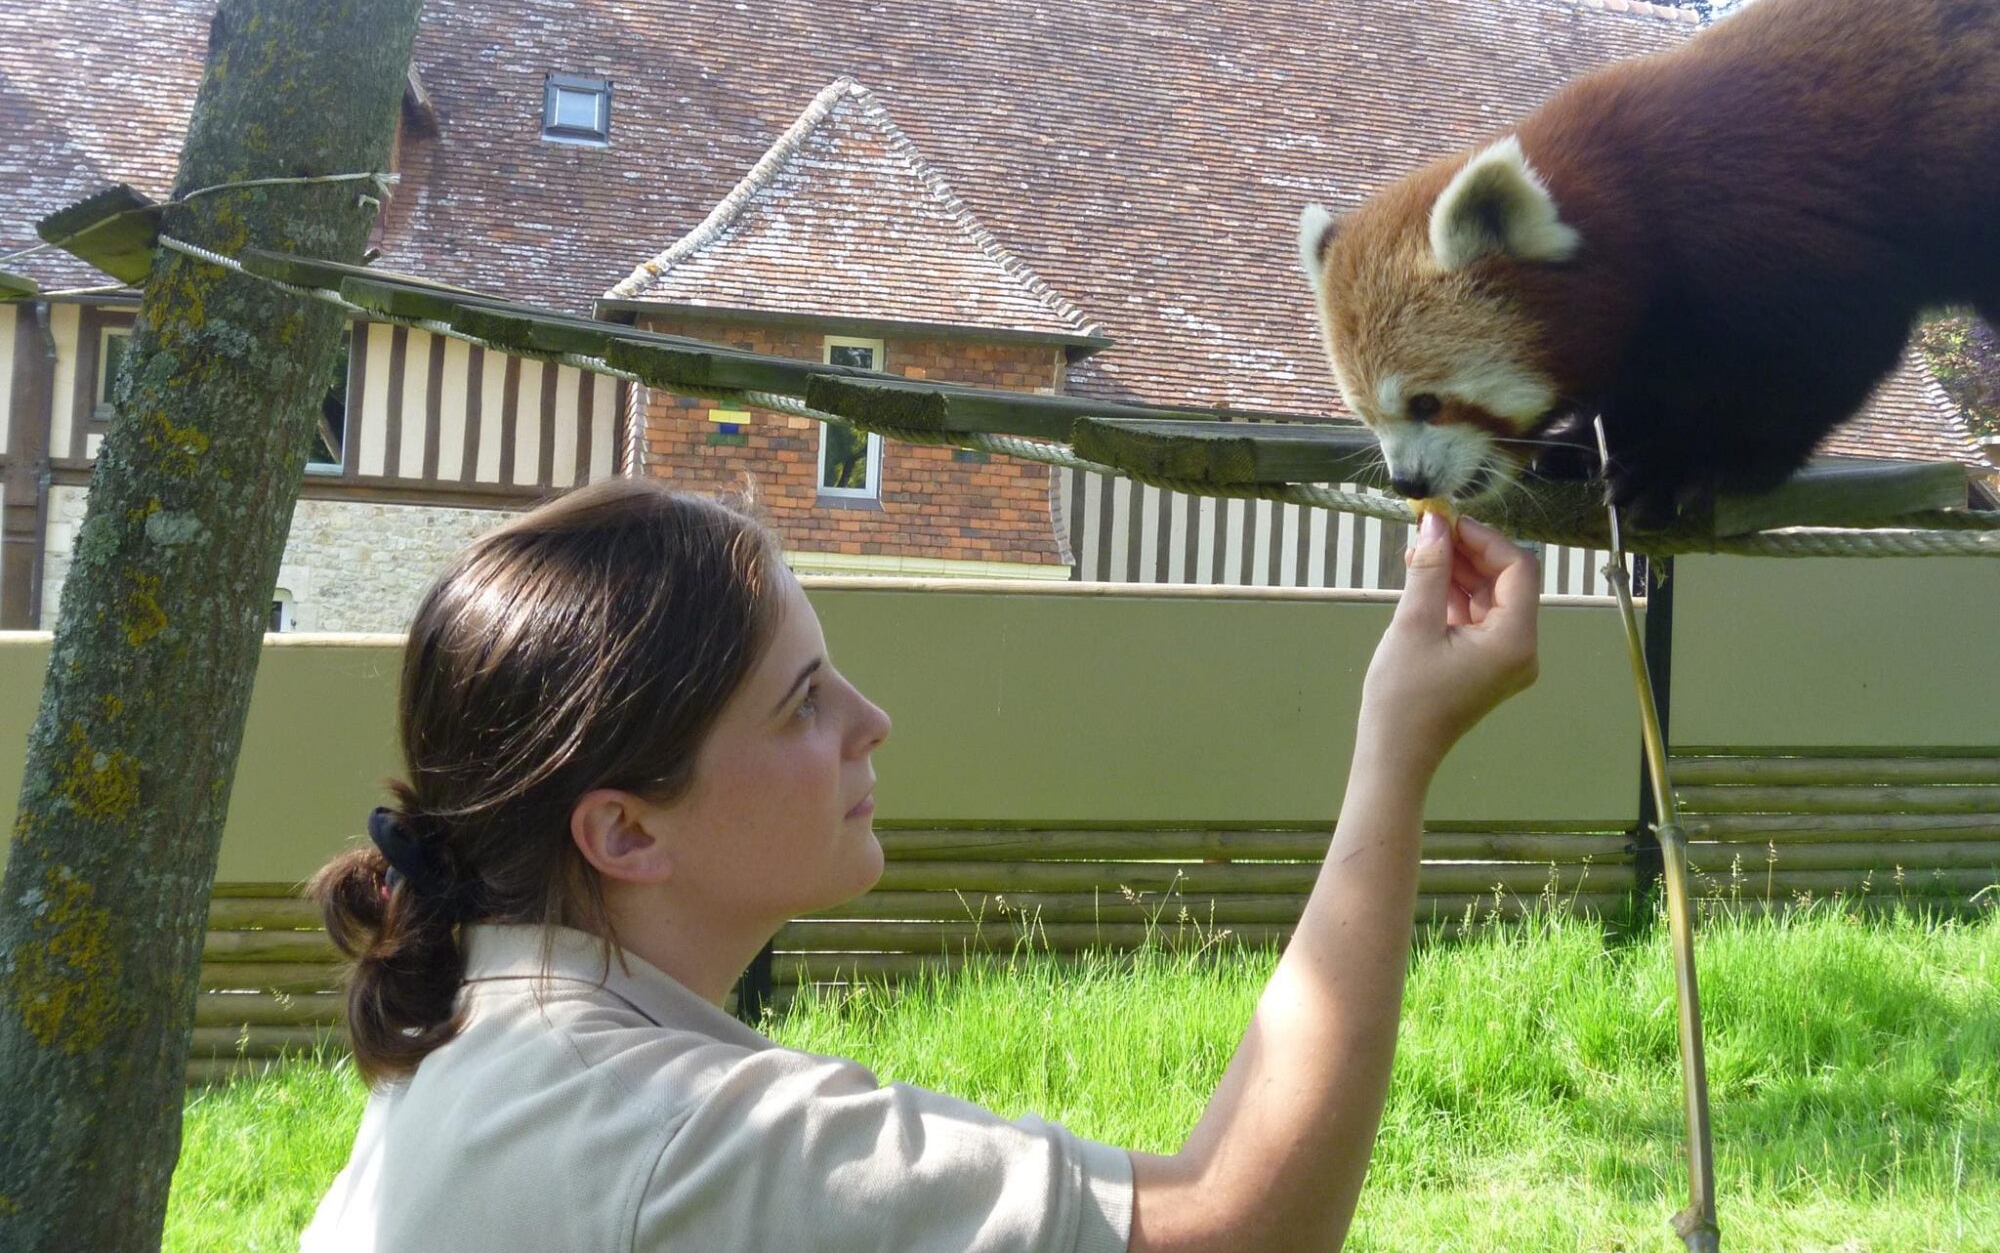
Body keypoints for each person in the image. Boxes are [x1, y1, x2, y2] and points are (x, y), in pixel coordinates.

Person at [301, 476, 1538, 1252]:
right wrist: (1397, 750)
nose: (870, 720)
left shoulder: (468, 1058)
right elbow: (1234, 1225)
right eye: (799, 701)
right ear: (626, 832)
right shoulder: (674, 1136)